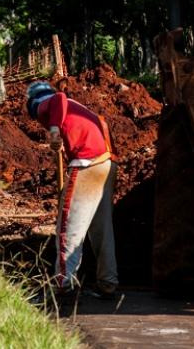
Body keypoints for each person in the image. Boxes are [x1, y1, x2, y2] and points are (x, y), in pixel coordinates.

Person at [26, 81, 118, 299]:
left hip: (87, 165)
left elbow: (59, 98)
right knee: (101, 229)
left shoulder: (46, 103)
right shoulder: (79, 107)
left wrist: (55, 129)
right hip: (106, 162)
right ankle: (108, 282)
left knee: (68, 228)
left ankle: (62, 285)